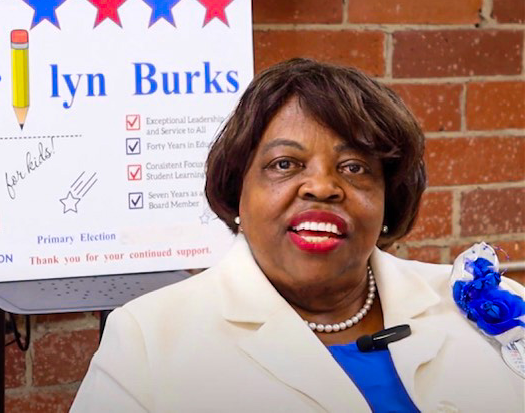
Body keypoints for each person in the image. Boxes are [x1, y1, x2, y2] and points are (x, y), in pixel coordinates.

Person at [72, 59, 523, 412]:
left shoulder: (489, 302)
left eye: (354, 167)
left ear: (389, 199)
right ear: (237, 191)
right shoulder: (147, 338)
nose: (322, 187)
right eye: (285, 164)